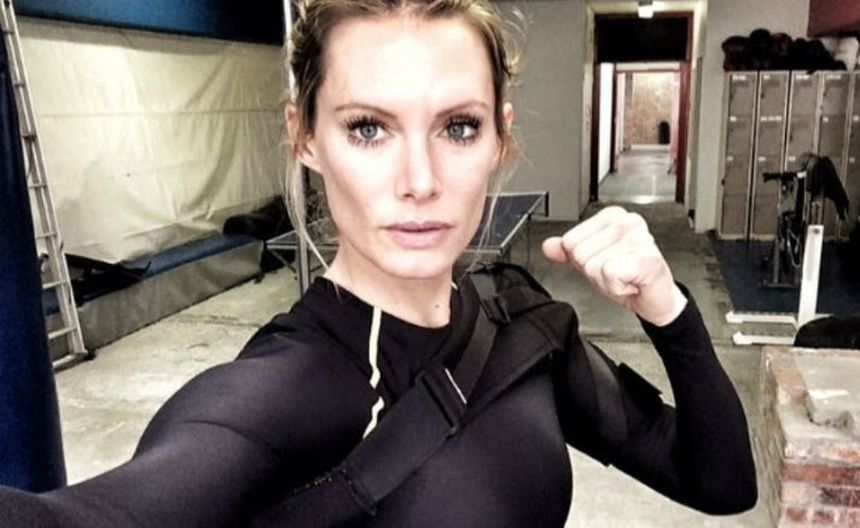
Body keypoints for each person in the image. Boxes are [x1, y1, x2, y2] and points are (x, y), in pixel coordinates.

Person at [0, 0, 757, 526]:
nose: (419, 180)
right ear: (304, 136)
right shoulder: (273, 395)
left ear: (500, 136)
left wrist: (668, 307)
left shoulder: (525, 322)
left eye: (458, 127)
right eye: (368, 128)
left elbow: (720, 482)